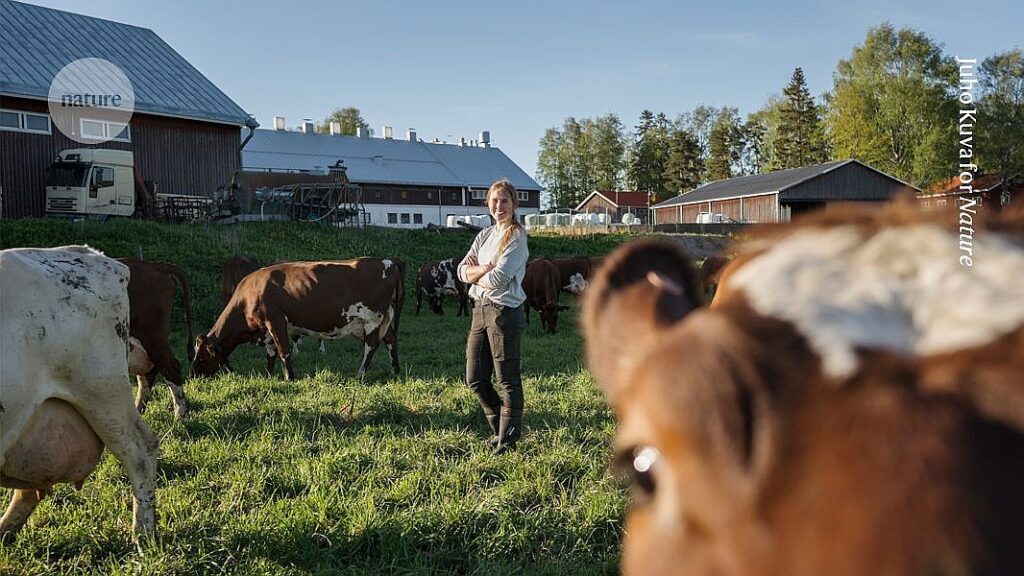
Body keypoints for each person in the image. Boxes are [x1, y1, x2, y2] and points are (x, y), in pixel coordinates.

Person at [457, 178, 529, 454]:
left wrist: (477, 274)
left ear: (514, 204)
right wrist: (484, 268)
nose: (499, 206)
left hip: (503, 312)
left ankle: (508, 440)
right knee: (475, 377)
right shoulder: (484, 236)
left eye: (505, 201)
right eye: (494, 201)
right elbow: (461, 271)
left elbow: (500, 279)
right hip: (480, 309)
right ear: (488, 203)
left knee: (507, 378)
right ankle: (500, 429)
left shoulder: (517, 237)